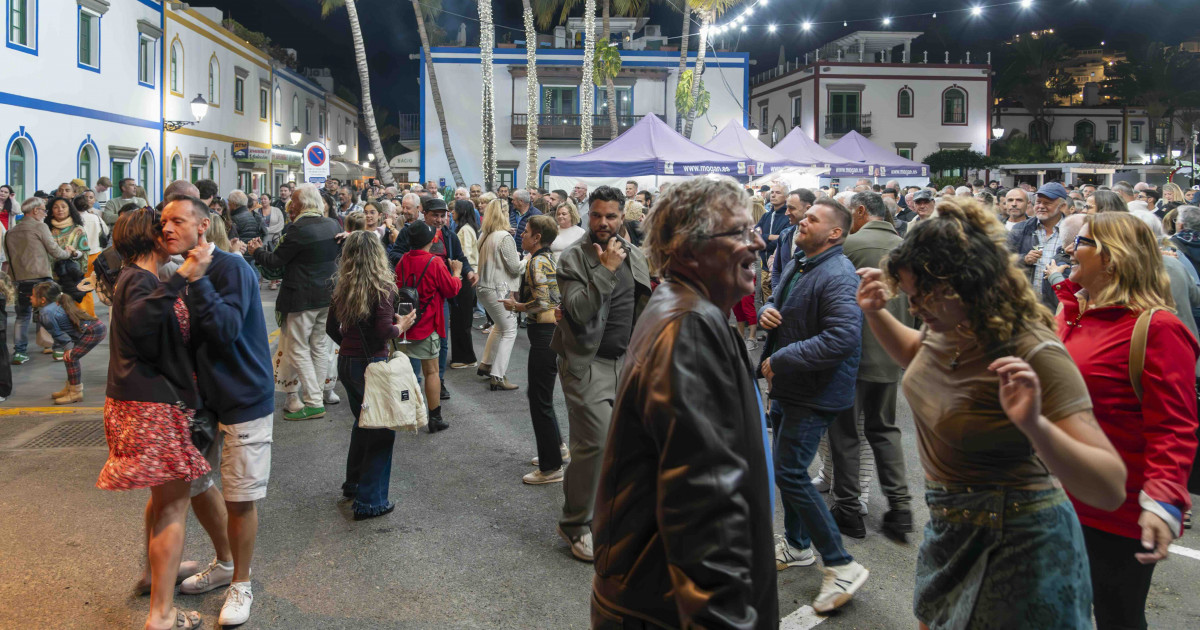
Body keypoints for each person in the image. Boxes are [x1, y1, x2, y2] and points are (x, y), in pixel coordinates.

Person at [856, 195, 1126, 628]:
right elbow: (922, 360)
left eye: (920, 294)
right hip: (949, 525)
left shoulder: (1032, 349)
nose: (915, 307)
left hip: (1019, 537)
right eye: (908, 295)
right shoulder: (948, 321)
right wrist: (875, 313)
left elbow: (1110, 487)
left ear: (962, 283)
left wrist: (1034, 424)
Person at [590, 176, 777, 629]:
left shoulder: (692, 310)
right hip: (662, 609)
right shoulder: (690, 325)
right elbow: (703, 499)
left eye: (753, 230)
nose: (757, 244)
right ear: (686, 249)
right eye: (738, 233)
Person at [1049, 213, 1199, 629]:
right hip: (1054, 499)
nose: (1068, 249)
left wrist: (1164, 500)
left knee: (1117, 618)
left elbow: (1175, 426)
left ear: (1111, 258)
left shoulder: (1159, 329)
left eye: (1080, 242)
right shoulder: (1071, 312)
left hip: (1115, 512)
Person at [160, 195, 275, 627]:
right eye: (163, 221)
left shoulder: (231, 268)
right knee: (194, 484)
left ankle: (241, 584)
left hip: (245, 395)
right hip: (202, 402)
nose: (168, 228)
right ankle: (225, 562)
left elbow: (225, 329)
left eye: (177, 221)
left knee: (240, 497)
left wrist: (201, 279)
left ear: (203, 226)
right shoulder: (178, 273)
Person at [100, 208, 211, 630]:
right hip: (151, 407)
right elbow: (147, 323)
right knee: (173, 508)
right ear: (148, 238)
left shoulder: (137, 279)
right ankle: (162, 615)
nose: (169, 230)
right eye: (161, 226)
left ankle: (153, 576)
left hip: (139, 404)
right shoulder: (140, 279)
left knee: (162, 500)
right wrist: (184, 275)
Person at [758, 197, 869, 613]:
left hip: (814, 390)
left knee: (789, 472)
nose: (800, 221)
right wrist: (769, 310)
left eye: (811, 219)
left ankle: (841, 565)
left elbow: (842, 338)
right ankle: (799, 547)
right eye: (803, 216)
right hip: (792, 386)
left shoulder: (838, 274)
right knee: (791, 471)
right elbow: (779, 304)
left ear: (835, 233)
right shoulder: (801, 261)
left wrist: (781, 359)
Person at [552, 185, 653, 562]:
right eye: (596, 215)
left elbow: (644, 305)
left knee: (620, 446)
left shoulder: (636, 255)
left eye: (611, 216)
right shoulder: (574, 258)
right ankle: (575, 525)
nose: (604, 222)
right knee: (593, 445)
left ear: (622, 215)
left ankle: (605, 517)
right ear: (587, 215)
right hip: (586, 362)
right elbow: (577, 311)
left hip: (626, 361)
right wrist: (606, 270)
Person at [833, 192, 913, 540]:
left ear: (862, 211)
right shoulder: (908, 246)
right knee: (884, 431)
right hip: (894, 353)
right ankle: (901, 506)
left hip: (853, 354)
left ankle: (848, 509)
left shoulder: (850, 244)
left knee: (846, 434)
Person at [326, 231, 417, 519]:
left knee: (363, 422)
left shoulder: (342, 286)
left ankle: (353, 483)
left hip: (347, 363)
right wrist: (401, 325)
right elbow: (382, 332)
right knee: (380, 431)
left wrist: (350, 348)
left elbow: (331, 328)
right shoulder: (383, 288)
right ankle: (370, 501)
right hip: (372, 367)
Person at [248, 183, 342, 419]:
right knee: (319, 347)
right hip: (327, 296)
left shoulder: (298, 229)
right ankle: (316, 395)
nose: (291, 205)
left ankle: (312, 402)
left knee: (298, 349)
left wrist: (256, 251)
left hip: (301, 297)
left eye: (294, 202)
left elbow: (275, 261)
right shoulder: (332, 224)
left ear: (300, 204)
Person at [499, 215, 567, 483]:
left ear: (537, 237)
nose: (522, 235)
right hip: (549, 333)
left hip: (544, 334)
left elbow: (544, 301)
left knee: (539, 398)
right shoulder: (545, 259)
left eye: (526, 232)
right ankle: (557, 449)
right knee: (541, 396)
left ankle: (551, 467)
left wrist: (518, 307)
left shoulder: (537, 261)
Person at [396, 220, 462, 432]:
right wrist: (457, 273)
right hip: (427, 323)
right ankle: (434, 418)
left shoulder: (403, 260)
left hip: (405, 324)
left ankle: (407, 413)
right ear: (432, 240)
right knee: (431, 372)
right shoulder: (434, 262)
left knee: (404, 372)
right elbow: (451, 290)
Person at [5, 197, 77, 364]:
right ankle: (59, 350)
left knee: (22, 316)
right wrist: (70, 253)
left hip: (21, 280)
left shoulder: (11, 232)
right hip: (42, 278)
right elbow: (55, 251)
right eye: (44, 210)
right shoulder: (40, 226)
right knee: (52, 314)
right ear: (35, 211)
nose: (46, 213)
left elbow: (9, 258)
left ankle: (20, 353)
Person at [33, 281, 105, 403]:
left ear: (43, 300)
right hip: (94, 328)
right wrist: (68, 347)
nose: (30, 297)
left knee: (71, 357)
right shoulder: (56, 304)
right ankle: (71, 388)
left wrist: (68, 347)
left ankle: (75, 393)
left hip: (93, 331)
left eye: (33, 295)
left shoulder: (45, 312)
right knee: (69, 357)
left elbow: (58, 334)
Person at [476, 199, 522, 389]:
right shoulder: (504, 237)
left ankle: (486, 364)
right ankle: (498, 375)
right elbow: (514, 267)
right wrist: (526, 259)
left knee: (499, 326)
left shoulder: (484, 235)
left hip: (483, 287)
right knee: (510, 329)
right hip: (498, 288)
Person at [1009, 182, 1069, 311]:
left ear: (1062, 206)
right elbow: (1002, 259)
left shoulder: (1073, 230)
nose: (1041, 206)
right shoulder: (1020, 228)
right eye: (1038, 202)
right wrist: (1023, 259)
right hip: (1025, 305)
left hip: (1059, 305)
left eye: (1047, 203)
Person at [44, 196, 93, 315]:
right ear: (51, 211)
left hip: (68, 276)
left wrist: (75, 253)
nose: (60, 210)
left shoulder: (78, 230)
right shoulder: (45, 229)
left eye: (63, 207)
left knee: (69, 307)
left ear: (70, 209)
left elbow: (84, 251)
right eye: (56, 207)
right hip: (49, 274)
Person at [448, 199, 480, 369]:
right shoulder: (465, 229)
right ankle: (463, 355)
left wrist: (457, 272)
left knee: (461, 319)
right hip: (465, 276)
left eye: (454, 210)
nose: (451, 212)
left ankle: (465, 357)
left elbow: (464, 255)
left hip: (464, 277)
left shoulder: (465, 230)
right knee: (461, 319)